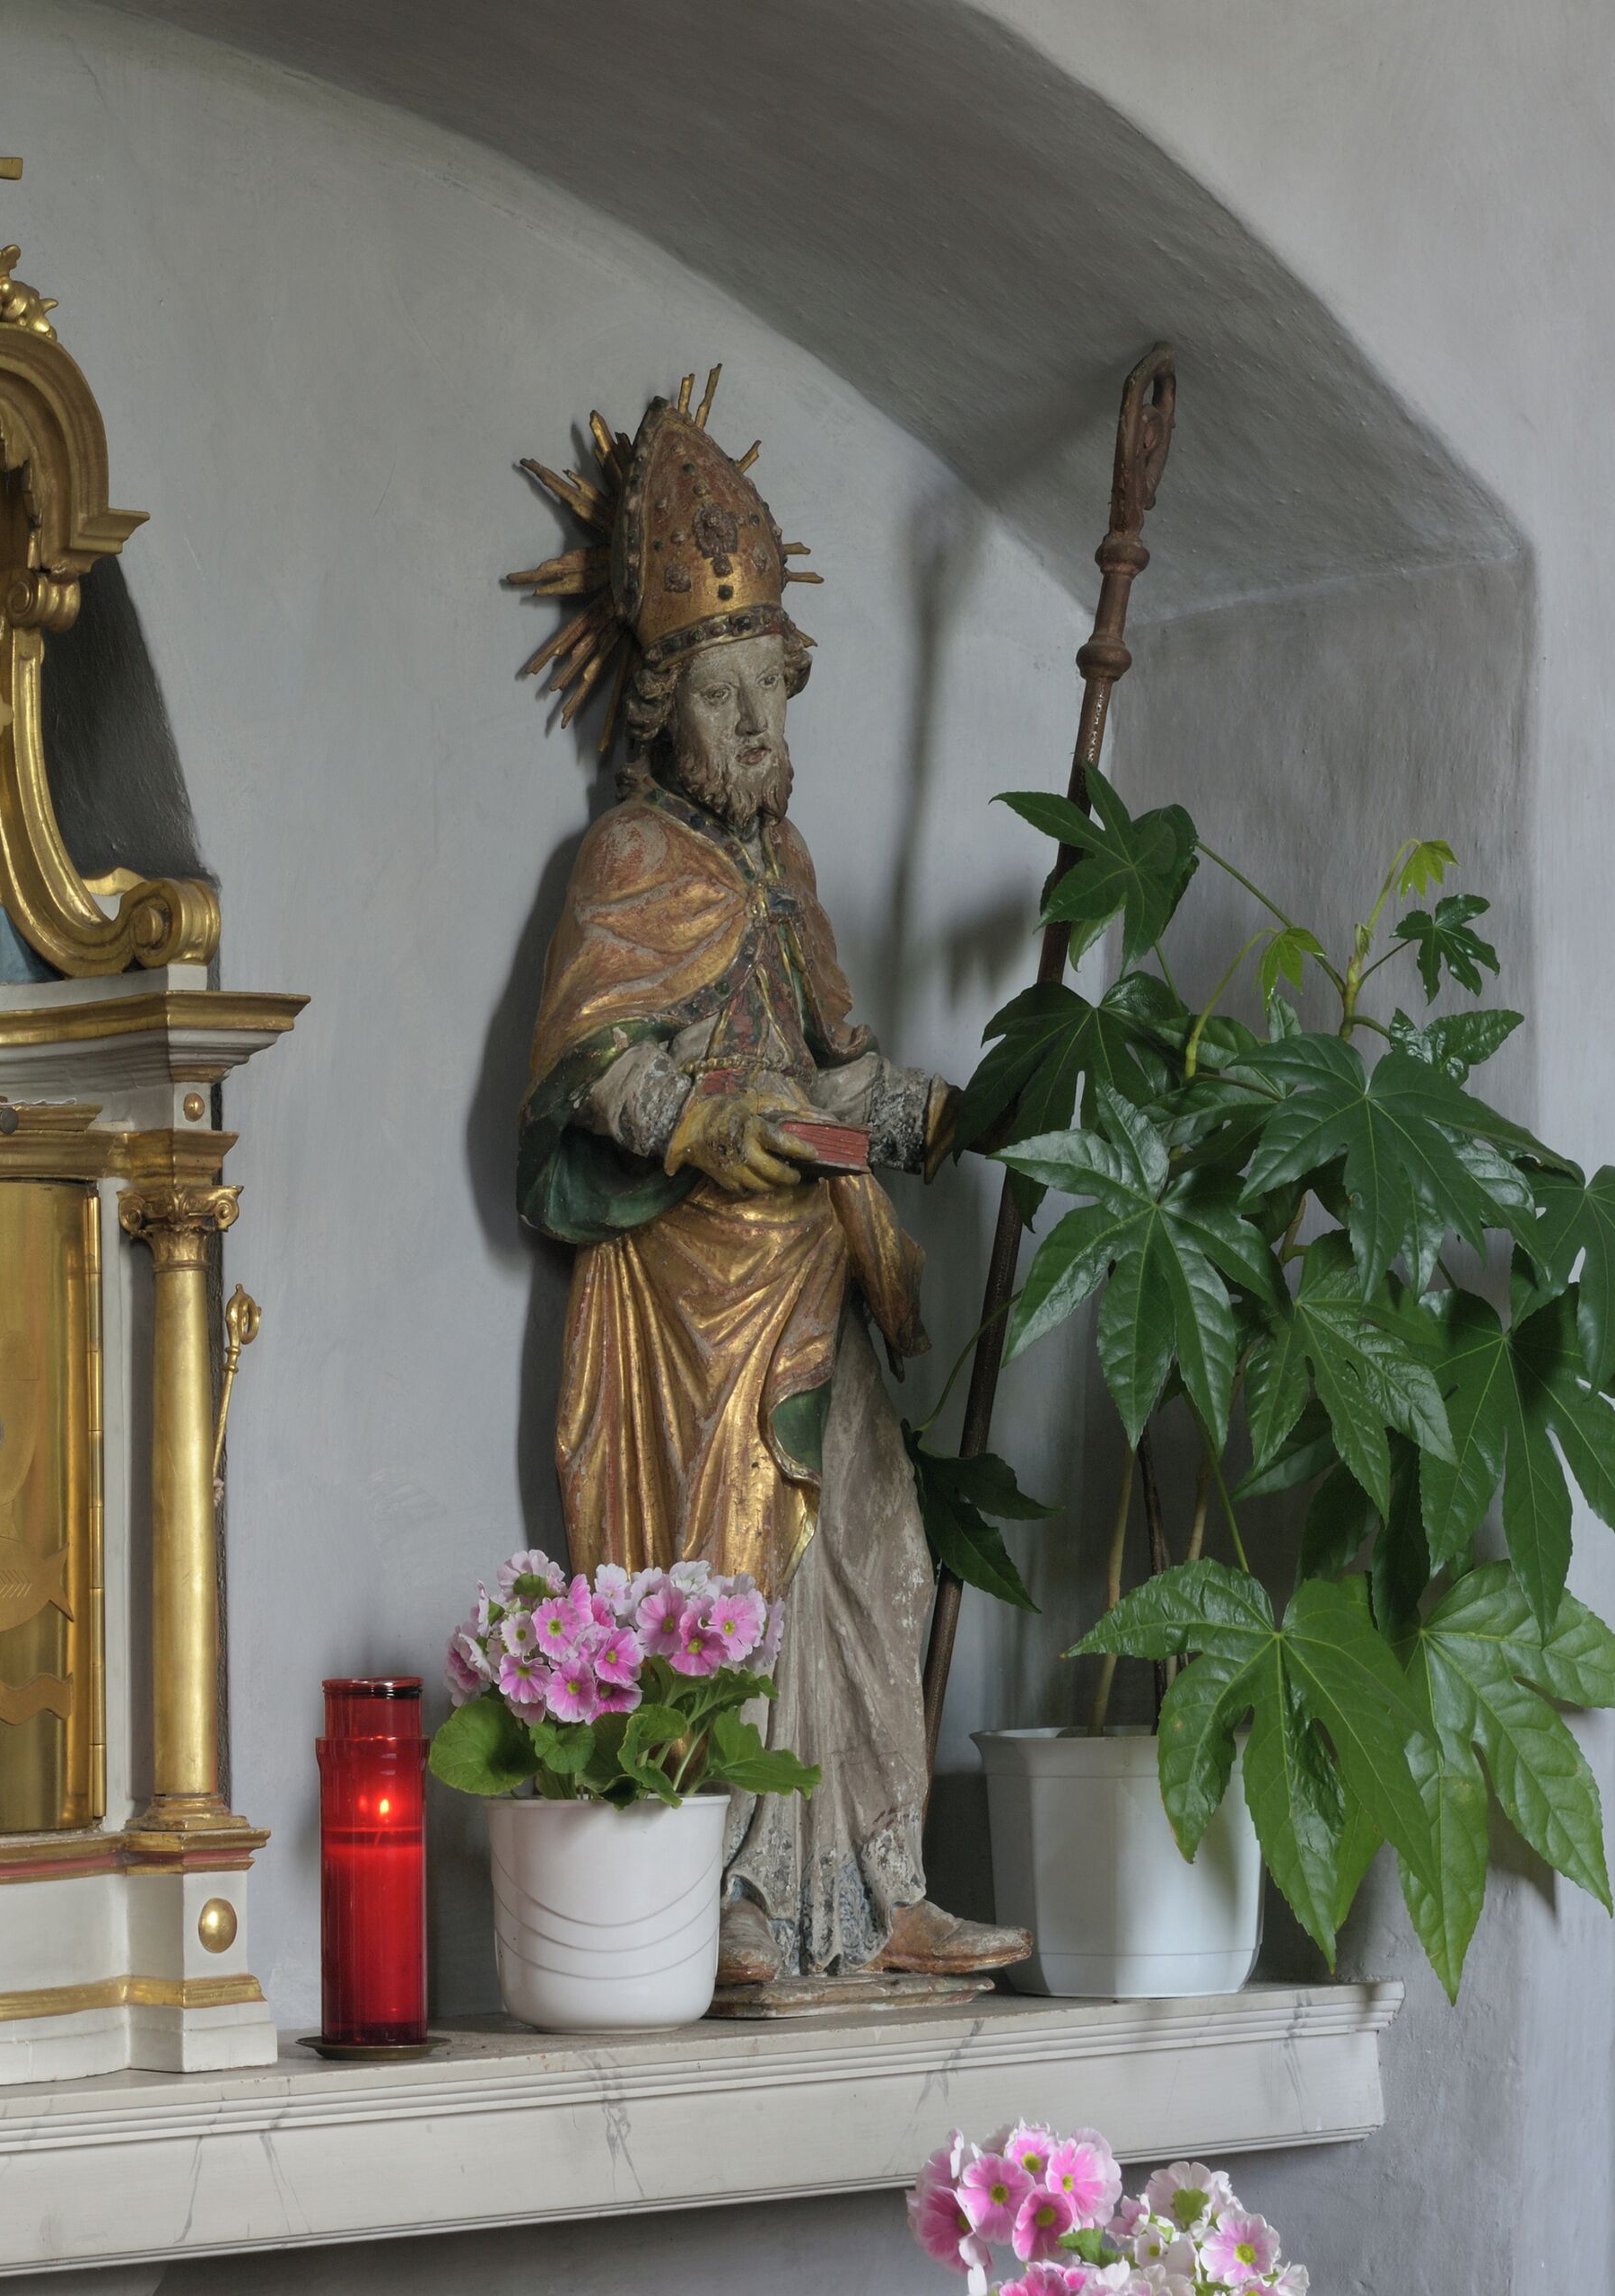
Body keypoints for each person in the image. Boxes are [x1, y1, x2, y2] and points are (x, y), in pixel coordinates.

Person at [518, 391, 1026, 1988]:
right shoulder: (625, 866)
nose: (753, 730)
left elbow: (839, 1055)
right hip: (691, 1297)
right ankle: (730, 1890)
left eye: (767, 693)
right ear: (657, 708)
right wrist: (691, 1121)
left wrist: (941, 1107)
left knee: (881, 1558)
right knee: (729, 1573)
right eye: (719, 698)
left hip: (822, 1267)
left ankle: (885, 1887)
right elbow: (587, 1059)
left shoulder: (786, 863)